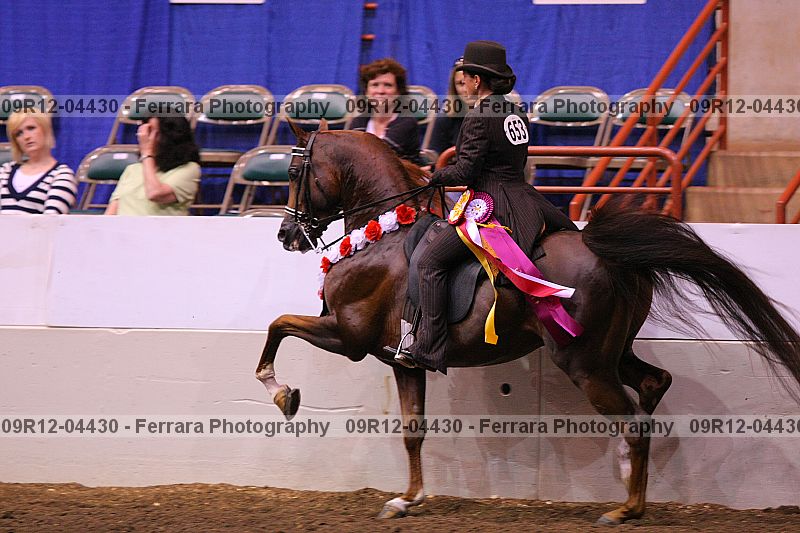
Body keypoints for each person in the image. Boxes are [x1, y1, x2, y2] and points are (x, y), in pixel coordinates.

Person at [395, 40, 578, 374]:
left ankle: (429, 347)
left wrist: (434, 176)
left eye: (466, 78)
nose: (463, 84)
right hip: (527, 200)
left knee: (431, 262)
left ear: (477, 80)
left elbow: (465, 171)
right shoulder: (515, 111)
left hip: (495, 206)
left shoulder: (479, 114)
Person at [105, 115, 200, 216]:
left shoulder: (189, 169)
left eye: (152, 132)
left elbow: (155, 194)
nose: (144, 137)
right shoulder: (132, 169)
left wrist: (147, 153)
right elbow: (111, 213)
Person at [351, 58, 425, 165]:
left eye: (388, 85)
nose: (381, 91)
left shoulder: (407, 123)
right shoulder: (358, 122)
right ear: (366, 92)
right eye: (375, 85)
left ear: (398, 92)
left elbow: (379, 156)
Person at [0, 110, 77, 214]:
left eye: (31, 128)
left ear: (46, 130)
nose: (26, 137)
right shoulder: (5, 170)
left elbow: (52, 220)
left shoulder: (62, 175)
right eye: (19, 133)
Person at [428, 56, 469, 155]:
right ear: (454, 87)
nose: (466, 89)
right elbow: (434, 158)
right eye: (461, 83)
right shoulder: (445, 119)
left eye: (471, 82)